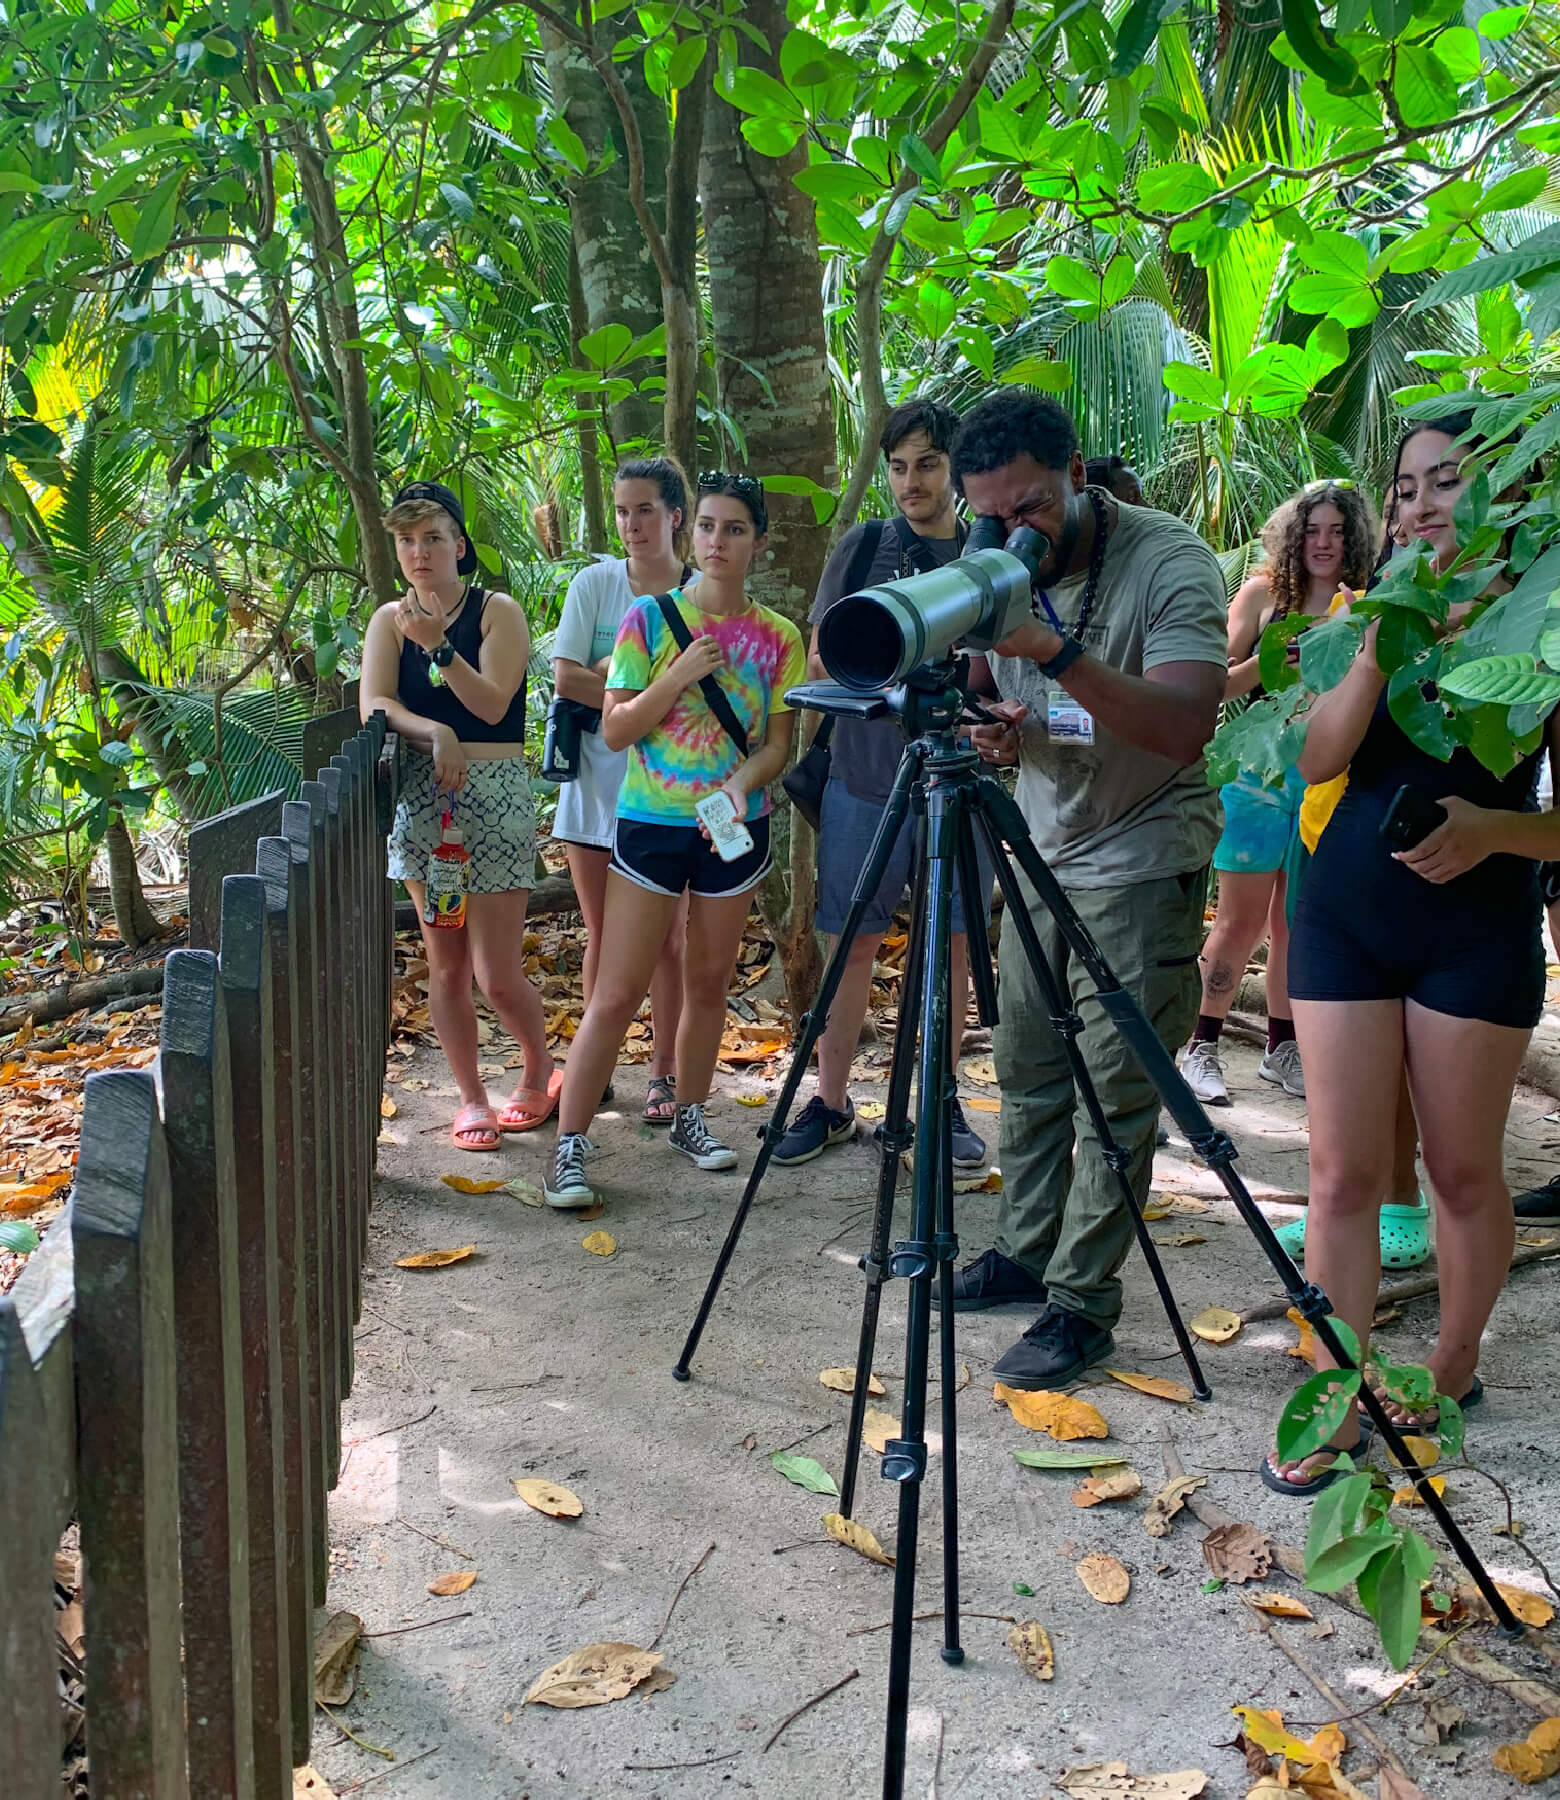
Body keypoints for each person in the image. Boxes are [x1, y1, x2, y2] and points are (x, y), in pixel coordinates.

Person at [1265, 411, 1560, 1494]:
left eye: (1448, 481)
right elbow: (1315, 756)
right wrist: (1382, 636)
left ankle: (1451, 1363)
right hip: (1346, 911)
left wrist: (1492, 831)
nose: (1421, 504)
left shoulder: (1544, 629)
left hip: (1475, 928)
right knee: (1340, 1173)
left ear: (1507, 493)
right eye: (1405, 487)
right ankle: (1333, 1393)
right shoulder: (1364, 613)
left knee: (1464, 1170)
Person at [943, 391, 1228, 1387]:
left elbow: (1188, 722)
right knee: (1024, 1065)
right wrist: (995, 722)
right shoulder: (994, 561)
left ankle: (1083, 1306)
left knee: (1114, 1096)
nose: (1010, 532)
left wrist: (1054, 652)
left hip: (1143, 856)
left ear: (1075, 472)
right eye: (989, 513)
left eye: (1028, 508)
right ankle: (1026, 1252)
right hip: (1042, 848)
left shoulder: (1171, 559)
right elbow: (999, 693)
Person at [544, 473, 807, 1209]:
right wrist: (680, 675)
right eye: (708, 529)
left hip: (732, 828)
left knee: (707, 980)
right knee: (617, 989)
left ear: (758, 541)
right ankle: (570, 1147)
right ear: (690, 533)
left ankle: (692, 1116)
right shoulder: (649, 621)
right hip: (651, 822)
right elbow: (620, 726)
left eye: (734, 530)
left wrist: (738, 786)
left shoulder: (779, 637)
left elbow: (776, 746)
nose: (717, 543)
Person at [774, 397, 991, 1169]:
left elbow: (1007, 671)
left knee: (956, 946)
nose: (911, 482)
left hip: (959, 783)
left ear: (957, 469)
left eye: (927, 464)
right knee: (851, 942)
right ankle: (831, 1104)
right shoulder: (866, 545)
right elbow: (821, 655)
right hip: (865, 779)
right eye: (898, 467)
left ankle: (942, 1104)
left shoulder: (985, 557)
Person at [362, 480, 557, 1151]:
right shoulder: (389, 620)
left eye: (433, 538)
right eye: (407, 541)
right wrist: (431, 732)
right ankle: (471, 1096)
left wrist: (440, 648)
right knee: (444, 966)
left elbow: (494, 706)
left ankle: (538, 1068)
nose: (420, 552)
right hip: (428, 805)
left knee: (495, 972)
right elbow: (375, 704)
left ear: (459, 546)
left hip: (496, 795)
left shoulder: (496, 610)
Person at [1177, 482, 1378, 1107]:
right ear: (1295, 534)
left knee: (1297, 921)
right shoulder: (1264, 593)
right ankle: (1200, 1044)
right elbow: (1209, 683)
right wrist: (1265, 669)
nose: (1325, 543)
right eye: (1313, 530)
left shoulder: (1363, 603)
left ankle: (1280, 1048)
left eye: (1338, 532)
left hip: (1327, 780)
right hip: (1256, 772)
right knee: (1239, 920)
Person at [551, 458, 694, 1124]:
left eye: (644, 510)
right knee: (605, 938)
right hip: (594, 787)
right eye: (620, 511)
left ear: (674, 515)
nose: (631, 525)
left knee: (669, 942)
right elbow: (565, 680)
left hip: (672, 792)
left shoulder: (699, 592)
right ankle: (597, 1065)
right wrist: (634, 681)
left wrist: (613, 681)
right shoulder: (596, 585)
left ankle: (664, 1072)